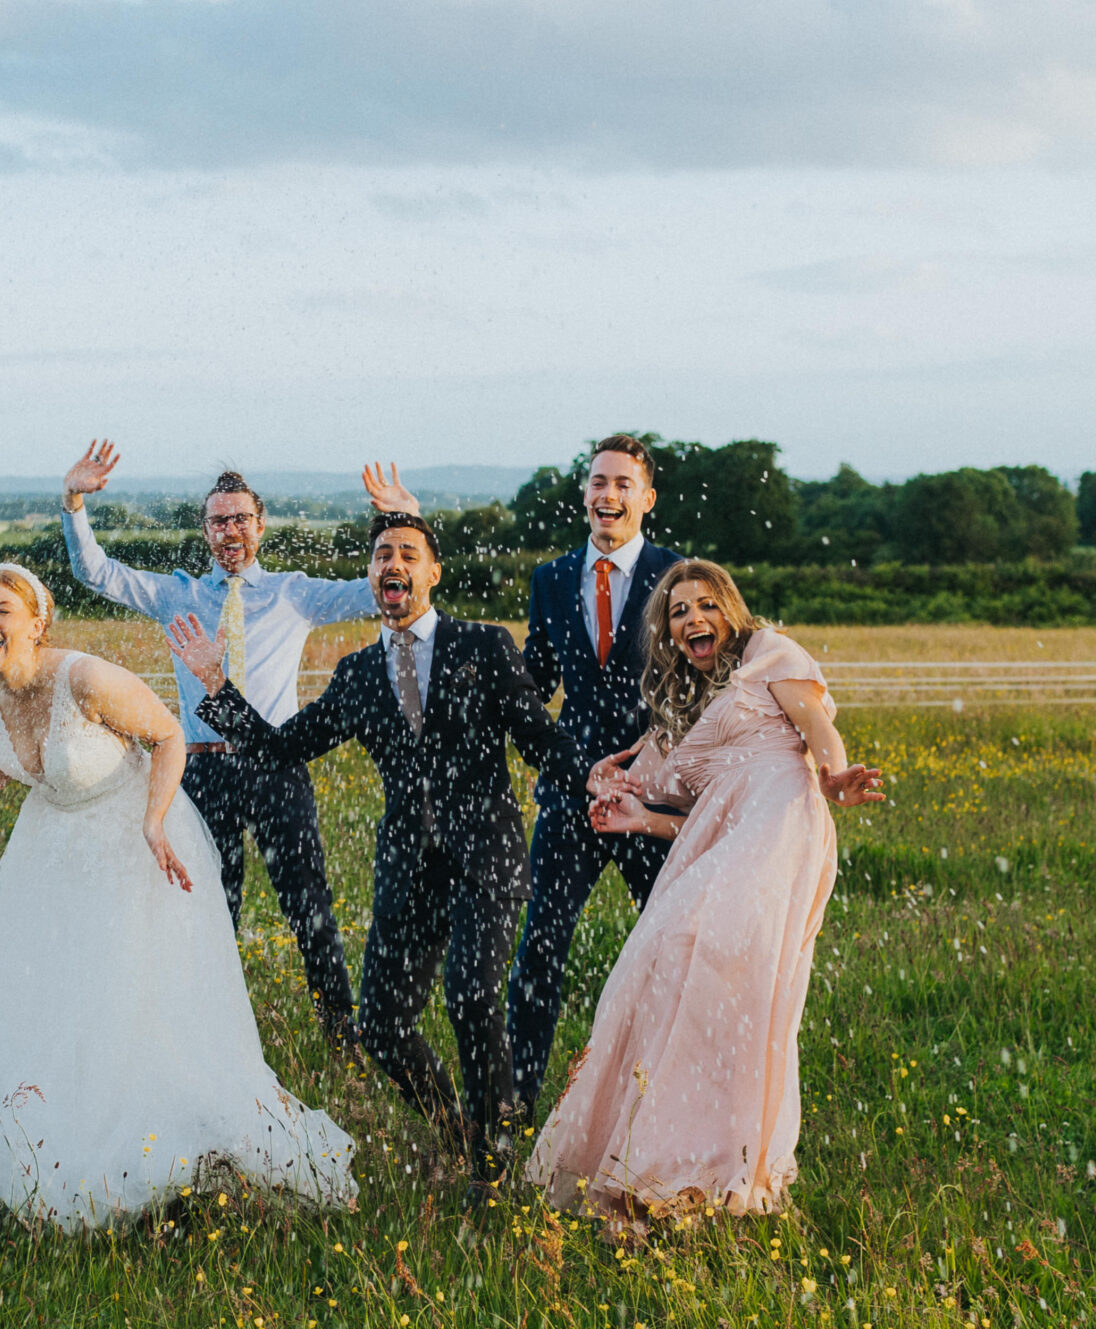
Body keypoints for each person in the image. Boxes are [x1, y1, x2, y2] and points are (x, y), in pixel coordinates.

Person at [0, 563, 357, 1229]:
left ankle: (159, 1147)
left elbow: (165, 734)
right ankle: (43, 1137)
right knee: (42, 994)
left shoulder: (86, 677)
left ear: (37, 623)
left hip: (132, 842)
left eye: (1, 610)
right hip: (48, 849)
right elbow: (19, 752)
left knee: (125, 999)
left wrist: (154, 820)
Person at [170, 514, 579, 1188]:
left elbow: (542, 741)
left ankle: (494, 1150)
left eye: (408, 554)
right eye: (382, 554)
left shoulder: (485, 644)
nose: (394, 564)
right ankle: (457, 1125)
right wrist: (218, 688)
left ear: (432, 572)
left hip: (487, 858)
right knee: (385, 1028)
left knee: (472, 994)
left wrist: (599, 778)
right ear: (372, 577)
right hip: (407, 867)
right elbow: (280, 749)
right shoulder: (358, 672)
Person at [522, 560, 883, 1243]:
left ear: (731, 610)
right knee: (668, 972)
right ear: (667, 630)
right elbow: (695, 816)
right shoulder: (673, 714)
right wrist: (635, 819)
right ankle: (674, 1168)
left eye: (706, 605)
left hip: (781, 821)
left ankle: (694, 1168)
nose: (694, 619)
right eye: (679, 610)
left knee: (699, 956)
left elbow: (816, 729)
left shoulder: (768, 653)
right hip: (713, 841)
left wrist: (835, 776)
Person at [60, 446, 420, 1050]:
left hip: (278, 766)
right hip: (200, 773)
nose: (231, 530)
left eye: (241, 519)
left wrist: (404, 521)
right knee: (208, 905)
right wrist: (72, 504)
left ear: (261, 525)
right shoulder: (177, 594)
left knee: (308, 902)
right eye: (218, 521)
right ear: (205, 531)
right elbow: (96, 572)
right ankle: (206, 1029)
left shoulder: (294, 593)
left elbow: (389, 591)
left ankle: (340, 1030)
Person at [505, 435, 686, 1120]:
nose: (606, 494)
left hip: (656, 792)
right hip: (573, 792)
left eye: (621, 483)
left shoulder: (678, 576)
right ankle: (515, 1107)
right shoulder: (550, 577)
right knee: (539, 948)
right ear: (583, 493)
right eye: (596, 481)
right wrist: (553, 762)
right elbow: (536, 685)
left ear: (646, 497)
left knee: (671, 943)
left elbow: (708, 677)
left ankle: (670, 1097)